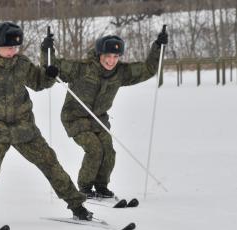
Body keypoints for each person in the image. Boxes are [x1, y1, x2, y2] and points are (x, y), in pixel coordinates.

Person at [0, 21, 92, 223]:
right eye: (8, 47)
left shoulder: (21, 64)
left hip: (25, 128)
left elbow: (38, 82)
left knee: (50, 162)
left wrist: (48, 74)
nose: (12, 51)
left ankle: (78, 206)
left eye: (15, 47)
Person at [41, 27, 168, 199]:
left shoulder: (120, 72)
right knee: (94, 149)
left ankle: (101, 186)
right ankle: (85, 187)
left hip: (98, 119)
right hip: (75, 118)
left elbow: (148, 69)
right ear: (99, 54)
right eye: (107, 56)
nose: (111, 61)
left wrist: (158, 47)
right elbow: (51, 65)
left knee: (108, 151)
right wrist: (46, 49)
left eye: (115, 57)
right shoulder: (81, 69)